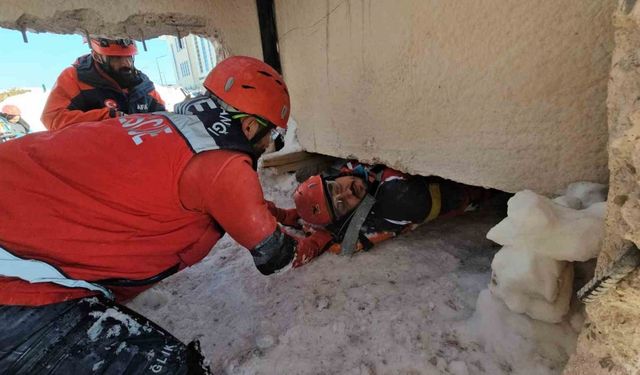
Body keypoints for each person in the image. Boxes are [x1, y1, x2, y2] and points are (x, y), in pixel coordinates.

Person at [0, 56, 332, 374]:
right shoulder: (224, 166)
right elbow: (278, 254)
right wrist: (319, 239)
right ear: (248, 126)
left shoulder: (165, 123)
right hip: (15, 276)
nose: (268, 147)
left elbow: (231, 201)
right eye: (272, 136)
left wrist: (286, 215)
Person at [294, 160, 493, 255]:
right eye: (342, 204)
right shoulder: (397, 198)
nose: (348, 192)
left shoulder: (354, 177)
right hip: (480, 183)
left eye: (337, 187)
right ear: (350, 214)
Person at [41, 38, 165, 130]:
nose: (126, 64)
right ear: (97, 56)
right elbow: (52, 118)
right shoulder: (74, 78)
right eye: (116, 58)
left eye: (128, 57)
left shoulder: (143, 85)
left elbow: (165, 118)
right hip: (95, 158)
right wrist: (108, 118)